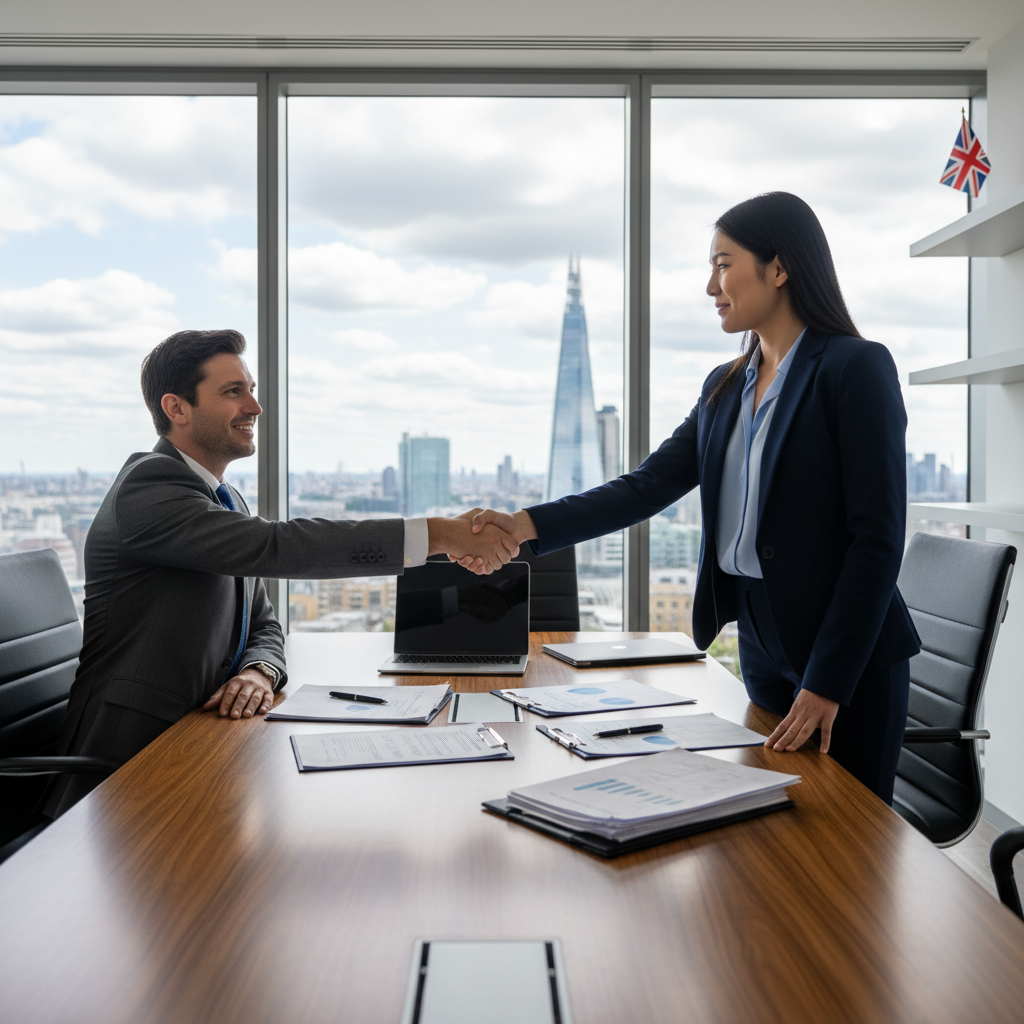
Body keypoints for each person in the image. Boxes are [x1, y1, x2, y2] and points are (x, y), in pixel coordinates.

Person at [467, 192, 920, 804]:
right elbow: (645, 487)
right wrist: (522, 525)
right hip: (761, 640)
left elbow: (878, 538)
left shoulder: (853, 368)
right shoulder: (726, 385)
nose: (711, 285)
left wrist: (829, 681)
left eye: (724, 263)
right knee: (773, 831)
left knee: (852, 843)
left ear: (779, 269)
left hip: (849, 658)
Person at [43, 329, 518, 817]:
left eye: (251, 389)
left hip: (204, 747)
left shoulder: (222, 499)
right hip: (125, 772)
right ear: (176, 408)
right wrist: (435, 534)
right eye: (234, 392)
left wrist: (259, 670)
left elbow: (264, 622)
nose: (255, 406)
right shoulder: (148, 489)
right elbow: (277, 547)